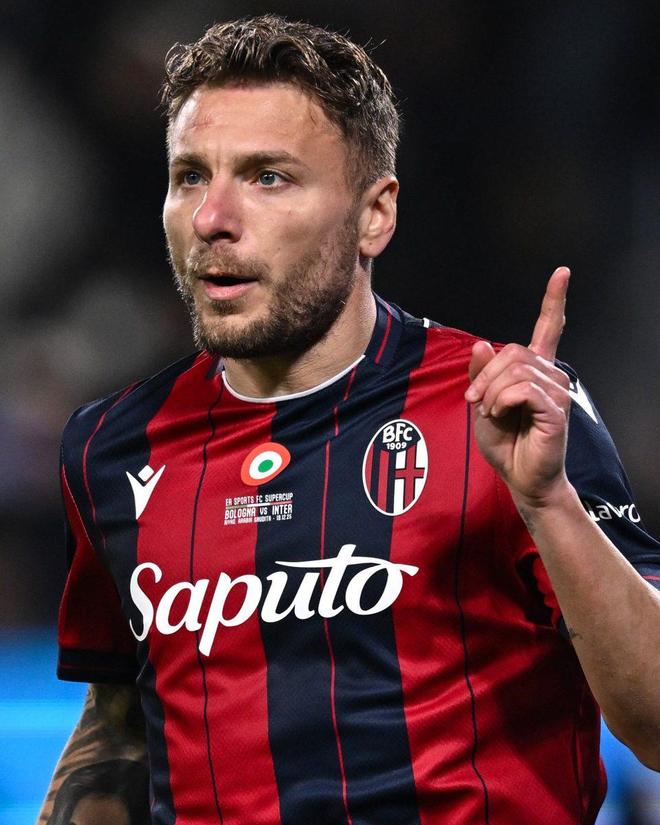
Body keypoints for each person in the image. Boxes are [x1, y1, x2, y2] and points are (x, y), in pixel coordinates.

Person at [38, 14, 660, 825]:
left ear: (375, 214)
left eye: (268, 177)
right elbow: (121, 724)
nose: (212, 217)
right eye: (190, 176)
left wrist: (550, 503)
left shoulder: (507, 409)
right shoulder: (113, 448)